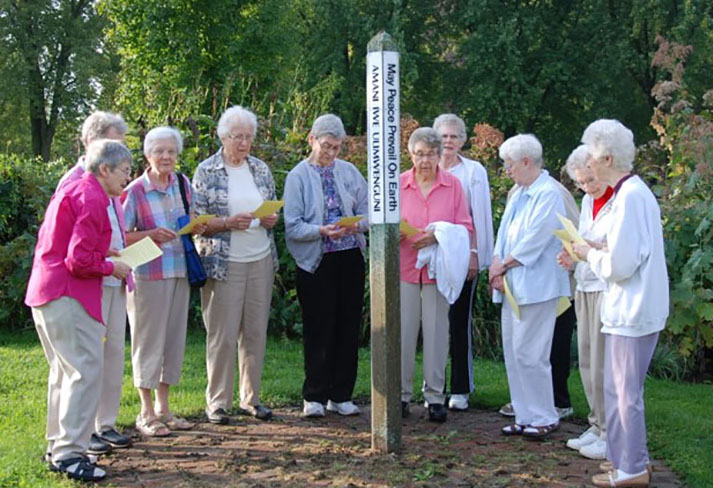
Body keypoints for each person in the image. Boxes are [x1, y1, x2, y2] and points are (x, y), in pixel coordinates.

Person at [26, 140, 133, 482]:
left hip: (45, 291)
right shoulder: (94, 197)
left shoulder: (76, 189)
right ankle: (71, 453)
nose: (127, 180)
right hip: (68, 295)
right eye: (125, 172)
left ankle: (57, 445)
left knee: (63, 372)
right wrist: (110, 267)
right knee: (85, 371)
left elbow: (67, 244)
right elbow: (78, 260)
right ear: (105, 169)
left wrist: (107, 251)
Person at [573, 119, 668, 488]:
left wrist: (588, 254)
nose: (589, 164)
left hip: (632, 309)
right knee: (618, 391)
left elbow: (620, 266)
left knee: (625, 394)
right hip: (630, 309)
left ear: (608, 158)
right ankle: (628, 461)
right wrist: (600, 249)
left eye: (593, 158)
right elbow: (628, 251)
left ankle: (631, 469)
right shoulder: (631, 193)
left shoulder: (629, 197)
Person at [193, 106, 279, 424]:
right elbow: (196, 221)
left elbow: (271, 211)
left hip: (260, 258)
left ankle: (251, 398)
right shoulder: (207, 171)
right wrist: (227, 222)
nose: (244, 143)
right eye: (237, 137)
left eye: (248, 136)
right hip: (222, 263)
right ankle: (217, 402)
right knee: (222, 335)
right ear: (223, 136)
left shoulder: (260, 169)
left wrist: (270, 218)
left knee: (255, 332)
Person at [56, 111, 133, 456]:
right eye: (116, 144)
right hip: (87, 279)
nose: (122, 154)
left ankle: (105, 423)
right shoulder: (77, 180)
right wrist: (104, 262)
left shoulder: (112, 181)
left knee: (113, 352)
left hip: (113, 271)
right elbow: (68, 243)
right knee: (85, 361)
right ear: (93, 142)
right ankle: (77, 435)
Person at [122, 127, 206, 437]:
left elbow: (192, 215)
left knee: (173, 342)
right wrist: (150, 235)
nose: (166, 156)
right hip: (147, 275)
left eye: (171, 151)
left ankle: (164, 408)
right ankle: (144, 413)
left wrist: (197, 224)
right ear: (147, 155)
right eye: (159, 151)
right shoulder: (134, 191)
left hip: (180, 271)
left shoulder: (183, 184)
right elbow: (118, 238)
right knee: (148, 343)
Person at [283, 114, 368, 418]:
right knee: (319, 327)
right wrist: (321, 230)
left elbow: (369, 211)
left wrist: (354, 225)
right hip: (315, 262)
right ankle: (315, 396)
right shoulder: (298, 176)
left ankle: (341, 395)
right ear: (311, 139)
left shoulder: (349, 172)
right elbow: (292, 226)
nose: (331, 152)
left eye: (336, 147)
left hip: (349, 257)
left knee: (348, 326)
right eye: (326, 145)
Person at [489, 134, 570, 439]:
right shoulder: (519, 192)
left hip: (538, 284)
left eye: (509, 165)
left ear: (526, 162)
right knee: (513, 350)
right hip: (512, 283)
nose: (506, 170)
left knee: (531, 352)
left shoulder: (548, 193)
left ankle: (544, 415)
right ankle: (524, 414)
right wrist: (496, 265)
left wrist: (504, 263)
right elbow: (505, 232)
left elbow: (535, 238)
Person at [400, 127, 473, 422]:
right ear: (410, 155)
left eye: (430, 154)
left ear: (439, 155)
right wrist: (396, 234)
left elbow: (465, 227)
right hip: (405, 266)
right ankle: (401, 395)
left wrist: (436, 237)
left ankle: (434, 395)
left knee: (436, 333)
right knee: (403, 332)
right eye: (419, 154)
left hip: (437, 270)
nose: (425, 161)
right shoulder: (399, 183)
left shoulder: (452, 185)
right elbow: (383, 222)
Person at [433, 114, 494, 411]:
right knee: (433, 324)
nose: (448, 142)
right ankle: (434, 386)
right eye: (443, 136)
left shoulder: (473, 172)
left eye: (454, 136)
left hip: (462, 257)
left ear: (463, 140)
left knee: (458, 322)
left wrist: (476, 256)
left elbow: (479, 216)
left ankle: (460, 388)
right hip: (430, 257)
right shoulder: (425, 168)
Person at [558, 144, 614, 461]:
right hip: (585, 284)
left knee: (604, 363)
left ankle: (610, 430)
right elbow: (582, 242)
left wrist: (588, 249)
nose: (586, 187)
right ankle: (596, 424)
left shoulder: (620, 201)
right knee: (588, 361)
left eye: (590, 180)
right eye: (580, 183)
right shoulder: (589, 201)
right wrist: (572, 256)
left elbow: (614, 247)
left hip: (606, 288)